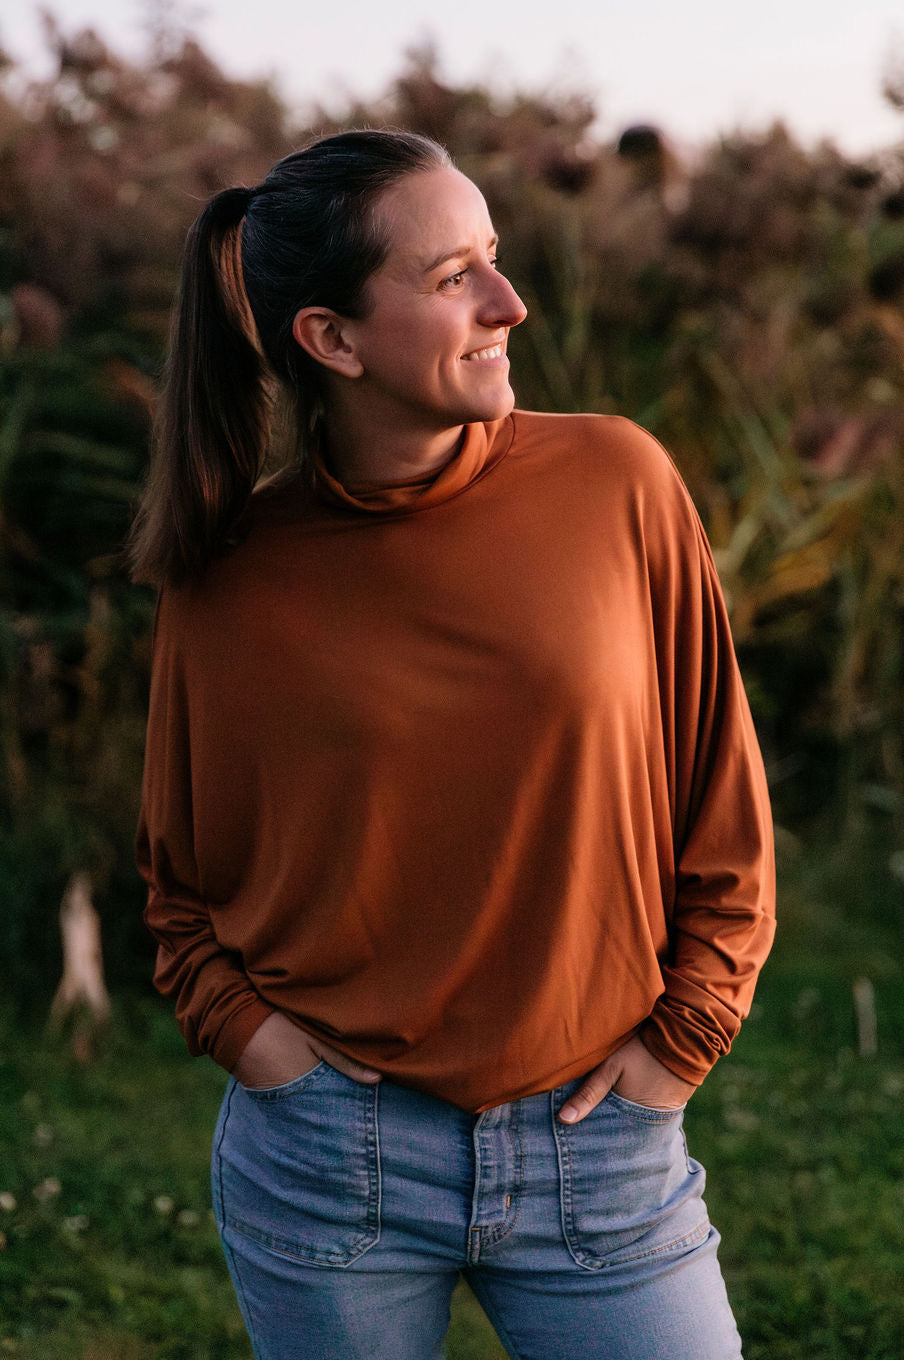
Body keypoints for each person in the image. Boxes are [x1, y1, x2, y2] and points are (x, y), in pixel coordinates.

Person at [131, 128, 775, 1360]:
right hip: (331, 1163)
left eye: (495, 257)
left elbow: (722, 805)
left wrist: (676, 1050)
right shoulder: (228, 571)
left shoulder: (617, 482)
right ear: (331, 340)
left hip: (602, 1147)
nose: (508, 302)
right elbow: (180, 883)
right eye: (451, 279)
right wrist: (259, 1049)